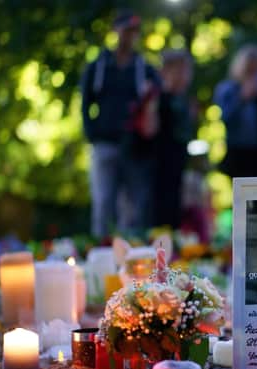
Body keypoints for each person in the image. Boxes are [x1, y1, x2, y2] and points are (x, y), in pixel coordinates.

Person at [81, 10, 161, 237]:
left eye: (134, 31)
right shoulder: (98, 66)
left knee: (132, 205)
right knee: (103, 201)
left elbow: (157, 98)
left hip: (134, 146)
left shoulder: (144, 67)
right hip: (104, 142)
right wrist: (92, 133)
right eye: (127, 31)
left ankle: (131, 256)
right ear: (116, 31)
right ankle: (100, 251)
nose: (130, 36)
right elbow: (86, 102)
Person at [213, 45, 257, 177]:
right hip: (238, 154)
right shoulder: (227, 89)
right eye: (249, 70)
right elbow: (226, 118)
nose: (254, 75)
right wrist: (242, 98)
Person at [154, 50, 196, 229]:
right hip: (157, 162)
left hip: (177, 159)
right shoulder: (157, 97)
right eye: (179, 71)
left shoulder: (184, 100)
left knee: (175, 203)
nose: (185, 76)